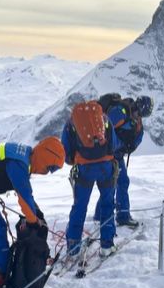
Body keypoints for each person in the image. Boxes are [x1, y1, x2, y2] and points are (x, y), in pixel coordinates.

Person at [0, 138, 65, 288]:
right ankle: (1, 274)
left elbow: (25, 193)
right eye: (51, 168)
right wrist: (34, 221)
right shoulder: (19, 164)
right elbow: (24, 196)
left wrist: (33, 214)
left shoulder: (23, 157)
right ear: (46, 157)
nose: (48, 172)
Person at [61, 100, 119, 259]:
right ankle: (107, 245)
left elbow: (65, 152)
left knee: (79, 207)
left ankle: (73, 249)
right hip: (106, 167)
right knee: (107, 204)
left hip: (84, 169)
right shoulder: (104, 119)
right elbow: (114, 145)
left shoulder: (70, 123)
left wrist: (76, 160)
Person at [95, 95, 153, 227]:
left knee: (114, 184)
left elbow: (134, 140)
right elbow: (105, 128)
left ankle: (101, 215)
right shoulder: (122, 112)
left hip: (115, 155)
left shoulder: (134, 119)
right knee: (119, 183)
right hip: (110, 154)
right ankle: (122, 216)